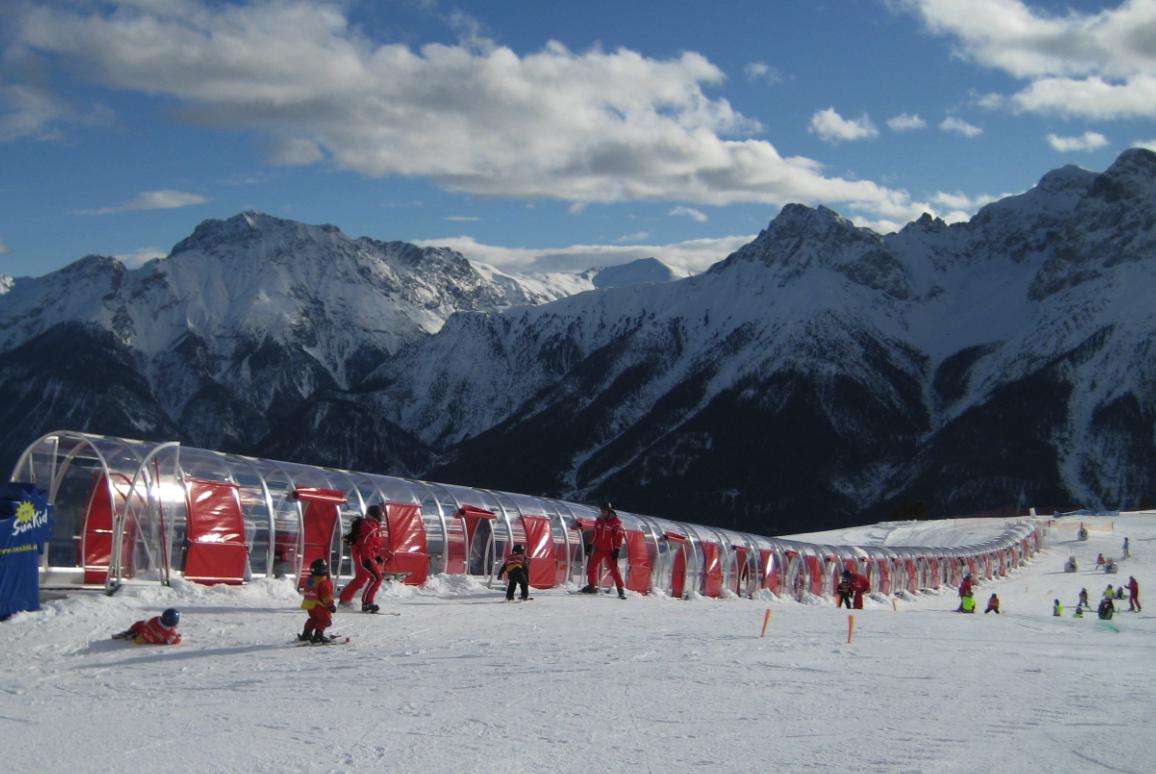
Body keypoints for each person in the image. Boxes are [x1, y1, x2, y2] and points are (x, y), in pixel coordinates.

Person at [338, 504, 385, 613]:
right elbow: (365, 545)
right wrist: (368, 558)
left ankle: (344, 600)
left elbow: (370, 544)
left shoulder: (370, 525)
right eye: (381, 514)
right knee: (376, 578)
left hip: (362, 556)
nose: (382, 517)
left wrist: (376, 556)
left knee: (361, 579)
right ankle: (367, 603)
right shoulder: (370, 527)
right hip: (364, 557)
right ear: (376, 515)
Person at [579, 502, 626, 599]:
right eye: (602, 511)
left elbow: (619, 536)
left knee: (614, 570)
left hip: (610, 550)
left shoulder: (616, 522)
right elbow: (595, 534)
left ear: (609, 511)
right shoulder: (599, 521)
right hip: (599, 549)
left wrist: (617, 549)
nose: (603, 513)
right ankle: (591, 586)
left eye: (605, 511)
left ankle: (620, 589)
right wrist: (590, 545)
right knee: (591, 567)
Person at [300, 558, 337, 643]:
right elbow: (326, 596)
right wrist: (330, 605)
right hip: (320, 606)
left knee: (314, 619)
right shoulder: (324, 582)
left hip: (310, 604)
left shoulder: (310, 580)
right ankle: (318, 635)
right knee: (324, 620)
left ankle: (306, 633)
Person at [112, 608, 182, 645]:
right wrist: (178, 638)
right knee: (144, 631)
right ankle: (136, 636)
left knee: (141, 623)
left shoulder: (155, 619)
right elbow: (173, 641)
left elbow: (147, 623)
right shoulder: (170, 634)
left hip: (144, 633)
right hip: (148, 640)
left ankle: (131, 632)